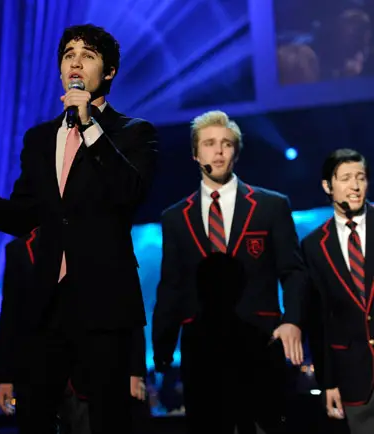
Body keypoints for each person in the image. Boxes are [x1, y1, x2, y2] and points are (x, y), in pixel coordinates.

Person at [0, 23, 158, 434]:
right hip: (45, 305)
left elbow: (129, 193)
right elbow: (24, 217)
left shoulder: (135, 133)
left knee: (108, 421)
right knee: (35, 418)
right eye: (68, 55)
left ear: (109, 71)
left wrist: (90, 126)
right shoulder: (40, 139)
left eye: (88, 55)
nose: (75, 62)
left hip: (103, 303)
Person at [152, 110, 307, 433]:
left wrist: (292, 320)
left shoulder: (271, 206)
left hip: (261, 344)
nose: (219, 151)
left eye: (226, 143)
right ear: (195, 154)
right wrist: (162, 346)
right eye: (209, 143)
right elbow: (171, 284)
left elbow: (293, 270)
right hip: (203, 350)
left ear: (236, 152)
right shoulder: (175, 217)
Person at [0, 229, 147, 434]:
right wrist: (4, 377)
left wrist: (135, 370)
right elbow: (10, 317)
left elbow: (128, 307)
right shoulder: (19, 250)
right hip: (37, 374)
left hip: (91, 370)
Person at [303, 149, 374, 433]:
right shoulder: (314, 246)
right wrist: (328, 381)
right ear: (327, 186)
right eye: (345, 178)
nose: (355, 186)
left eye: (361, 177)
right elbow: (320, 319)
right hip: (353, 377)